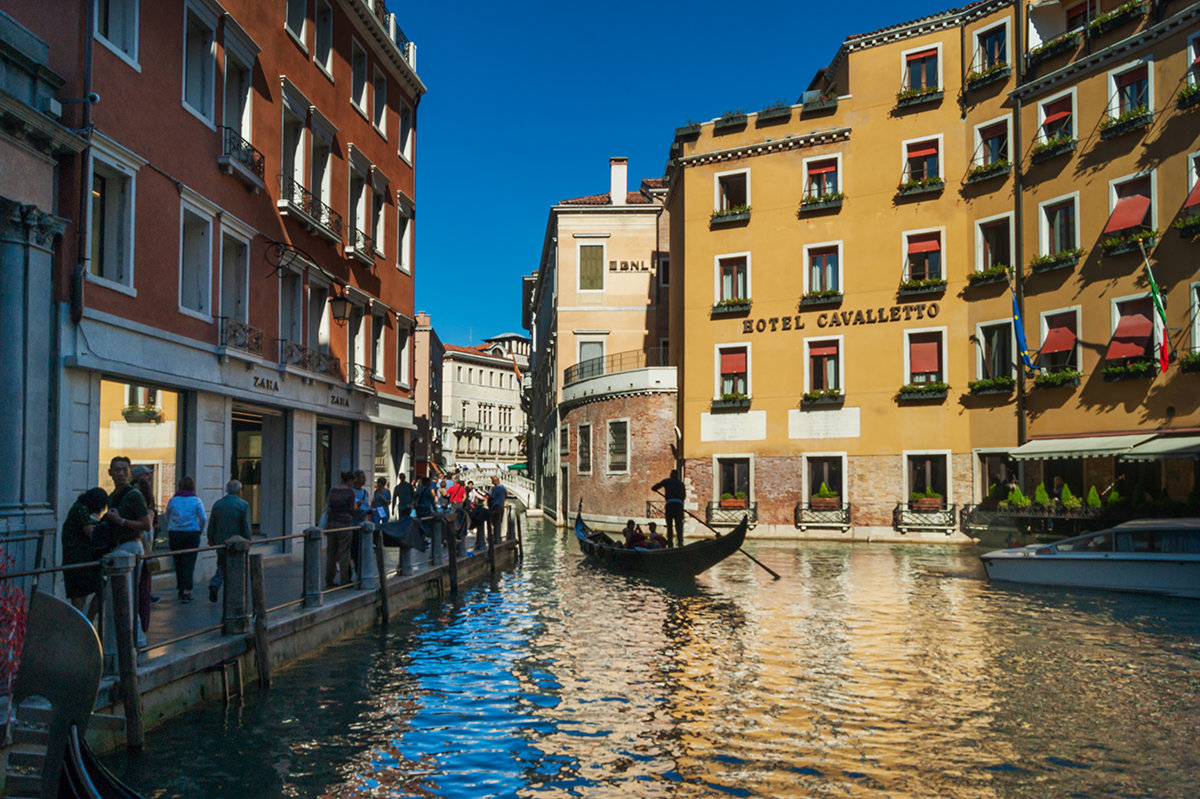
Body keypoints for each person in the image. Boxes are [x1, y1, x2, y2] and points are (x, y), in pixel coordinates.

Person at [103, 457, 152, 647]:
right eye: (116, 470)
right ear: (110, 473)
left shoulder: (134, 495)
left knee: (128, 595)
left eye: (124, 470)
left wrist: (121, 521)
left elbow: (145, 524)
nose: (121, 474)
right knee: (119, 596)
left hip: (131, 546)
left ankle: (137, 638)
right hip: (117, 549)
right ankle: (125, 639)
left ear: (130, 472)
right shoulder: (111, 496)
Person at [61, 487, 110, 619]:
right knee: (85, 596)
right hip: (79, 560)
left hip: (77, 560)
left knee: (79, 598)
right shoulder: (81, 509)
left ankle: (84, 624)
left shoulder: (78, 508)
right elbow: (90, 532)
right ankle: (86, 623)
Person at [207, 479, 251, 602]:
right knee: (236, 569)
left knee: (222, 565)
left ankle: (216, 583)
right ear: (239, 491)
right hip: (238, 543)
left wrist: (211, 540)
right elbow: (246, 526)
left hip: (221, 542)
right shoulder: (243, 505)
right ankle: (233, 594)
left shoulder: (218, 504)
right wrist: (248, 540)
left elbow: (212, 525)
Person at [164, 476, 206, 602]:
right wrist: (200, 529)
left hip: (175, 533)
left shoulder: (173, 500)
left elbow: (167, 516)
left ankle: (180, 588)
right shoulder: (196, 501)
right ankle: (187, 590)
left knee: (178, 561)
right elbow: (203, 517)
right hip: (191, 533)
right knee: (189, 561)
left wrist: (171, 526)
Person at [323, 471, 357, 588]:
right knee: (344, 553)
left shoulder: (333, 490)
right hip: (345, 524)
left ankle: (329, 579)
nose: (353, 484)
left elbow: (329, 506)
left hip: (331, 524)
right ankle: (345, 580)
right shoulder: (350, 493)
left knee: (331, 553)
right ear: (350, 481)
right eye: (353, 482)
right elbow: (352, 510)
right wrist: (357, 506)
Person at [651, 469, 686, 548]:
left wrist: (655, 488)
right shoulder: (681, 484)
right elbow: (684, 497)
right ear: (677, 475)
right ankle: (680, 543)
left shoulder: (666, 481)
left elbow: (654, 487)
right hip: (679, 506)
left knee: (669, 526)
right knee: (679, 526)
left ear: (671, 475)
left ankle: (670, 544)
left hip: (670, 505)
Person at [487, 475, 508, 545]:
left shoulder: (496, 489)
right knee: (498, 523)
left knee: (494, 523)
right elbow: (505, 495)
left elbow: (492, 497)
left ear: (496, 481)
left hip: (495, 507)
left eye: (492, 481)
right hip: (501, 507)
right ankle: (497, 538)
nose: (492, 482)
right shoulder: (503, 488)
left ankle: (495, 538)